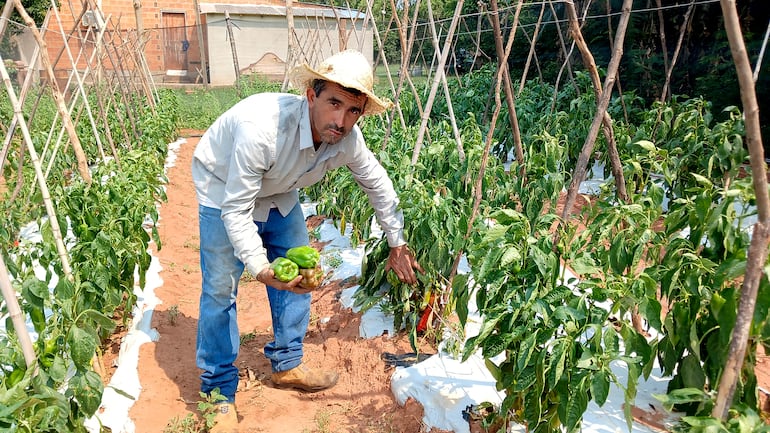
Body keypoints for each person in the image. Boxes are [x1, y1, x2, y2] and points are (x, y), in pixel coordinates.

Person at [191, 49, 424, 432]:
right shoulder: (262, 129)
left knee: (303, 273)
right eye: (334, 103)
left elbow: (377, 184)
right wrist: (261, 268)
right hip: (223, 188)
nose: (342, 120)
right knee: (220, 288)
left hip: (279, 190)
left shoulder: (346, 140)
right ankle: (218, 391)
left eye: (353, 111)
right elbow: (236, 209)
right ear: (311, 95)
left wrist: (396, 243)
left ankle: (287, 363)